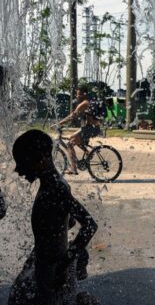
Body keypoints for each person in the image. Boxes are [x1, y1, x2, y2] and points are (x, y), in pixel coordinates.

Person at [9, 130, 98, 304]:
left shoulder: (56, 189)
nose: (18, 170)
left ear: (40, 159)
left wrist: (64, 264)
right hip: (46, 267)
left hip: (54, 274)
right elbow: (68, 222)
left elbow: (89, 224)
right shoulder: (52, 185)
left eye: (22, 162)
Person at [53, 85, 102, 175]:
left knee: (69, 145)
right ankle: (88, 153)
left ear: (84, 94)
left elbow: (72, 116)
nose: (77, 96)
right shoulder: (88, 102)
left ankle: (73, 169)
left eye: (78, 94)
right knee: (72, 137)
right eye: (76, 94)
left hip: (90, 129)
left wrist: (58, 124)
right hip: (91, 128)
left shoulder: (84, 104)